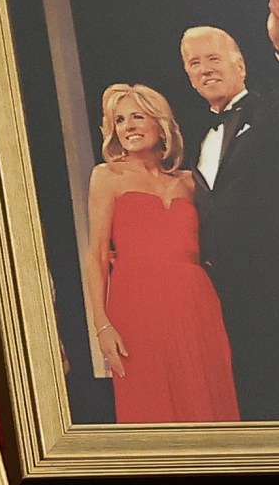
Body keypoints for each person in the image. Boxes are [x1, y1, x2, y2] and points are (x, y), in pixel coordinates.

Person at [182, 0, 279, 422]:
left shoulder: (275, 109)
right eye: (195, 64)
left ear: (240, 64)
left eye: (213, 58)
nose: (205, 69)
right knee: (252, 393)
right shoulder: (198, 139)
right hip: (227, 294)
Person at [86, 83, 240, 424]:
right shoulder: (107, 177)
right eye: (120, 120)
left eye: (137, 116)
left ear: (161, 124)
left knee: (207, 403)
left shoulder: (189, 182)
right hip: (136, 305)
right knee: (149, 406)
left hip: (196, 303)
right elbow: (96, 255)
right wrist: (101, 325)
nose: (128, 127)